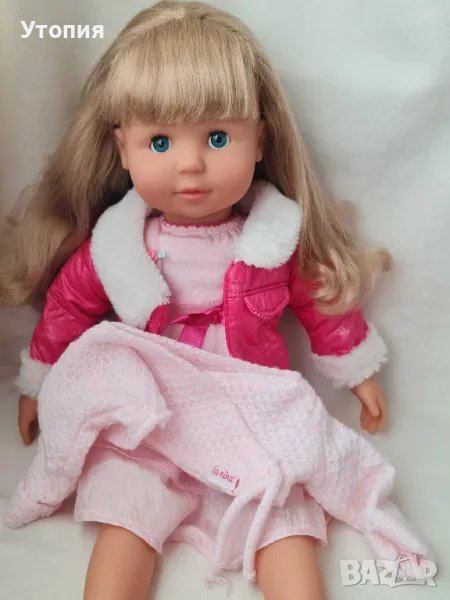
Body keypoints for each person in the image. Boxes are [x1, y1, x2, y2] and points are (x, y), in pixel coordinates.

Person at [0, 2, 428, 599]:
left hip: (253, 414)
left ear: (260, 141)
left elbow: (320, 301)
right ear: (122, 149)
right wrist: (40, 382)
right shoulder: (119, 248)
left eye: (218, 137)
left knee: (283, 519)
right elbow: (68, 310)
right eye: (159, 141)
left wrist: (357, 372)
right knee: (125, 518)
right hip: (152, 420)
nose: (191, 164)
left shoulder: (274, 242)